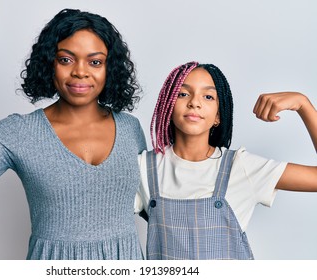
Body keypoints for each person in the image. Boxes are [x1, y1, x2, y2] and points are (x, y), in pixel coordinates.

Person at [0, 9, 147, 260]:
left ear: (110, 68)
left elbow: (161, 205)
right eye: (66, 59)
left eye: (95, 62)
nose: (80, 72)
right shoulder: (20, 133)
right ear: (49, 63)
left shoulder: (130, 129)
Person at [135, 61, 317, 260]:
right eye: (183, 94)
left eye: (208, 96)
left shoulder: (240, 167)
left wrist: (303, 105)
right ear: (167, 105)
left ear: (218, 117)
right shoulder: (143, 167)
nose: (195, 102)